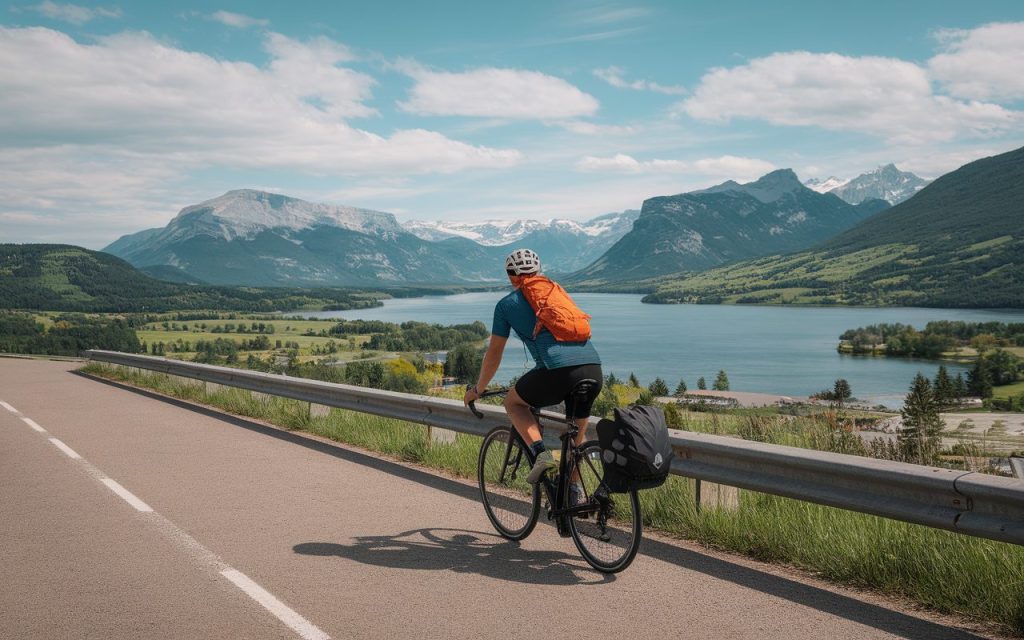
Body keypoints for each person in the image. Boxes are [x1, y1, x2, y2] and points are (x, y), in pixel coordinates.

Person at [463, 248, 603, 491]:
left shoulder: (506, 305)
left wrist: (478, 389)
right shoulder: (557, 292)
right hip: (593, 369)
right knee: (576, 440)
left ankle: (541, 454)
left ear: (511, 276)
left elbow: (494, 353)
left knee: (513, 403)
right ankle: (575, 495)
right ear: (538, 271)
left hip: (556, 372)